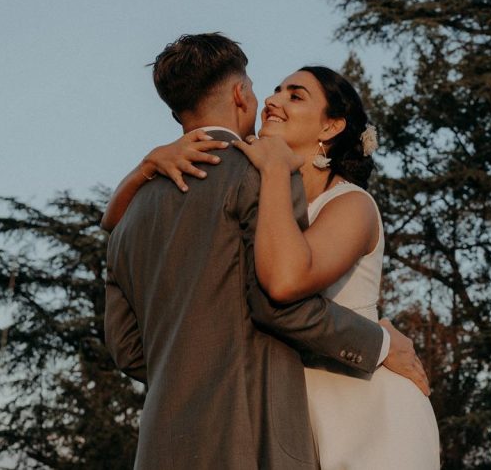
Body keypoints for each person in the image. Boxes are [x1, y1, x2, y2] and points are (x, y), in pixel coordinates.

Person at [103, 33, 427, 469]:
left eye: (295, 95)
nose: (274, 100)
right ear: (241, 94)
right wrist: (384, 342)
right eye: (273, 89)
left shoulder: (348, 204)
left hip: (357, 415)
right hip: (268, 419)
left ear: (331, 127)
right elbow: (277, 297)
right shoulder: (260, 179)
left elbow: (128, 349)